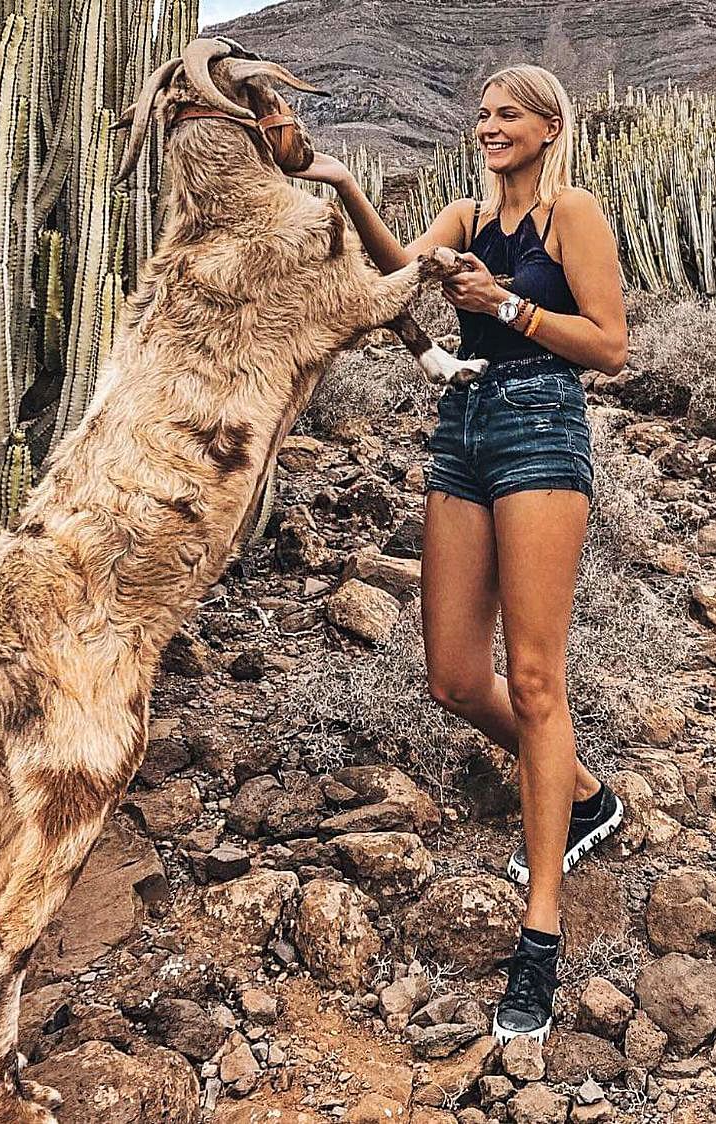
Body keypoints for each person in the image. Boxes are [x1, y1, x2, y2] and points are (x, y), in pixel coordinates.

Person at [296, 64, 629, 1044]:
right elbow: (397, 271)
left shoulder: (571, 215)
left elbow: (609, 345)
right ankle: (583, 792)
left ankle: (538, 937)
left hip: (538, 423)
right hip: (463, 428)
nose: (486, 126)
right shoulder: (458, 213)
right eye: (479, 114)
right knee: (450, 675)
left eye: (505, 115)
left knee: (532, 680)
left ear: (545, 127)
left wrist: (510, 307)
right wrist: (339, 182)